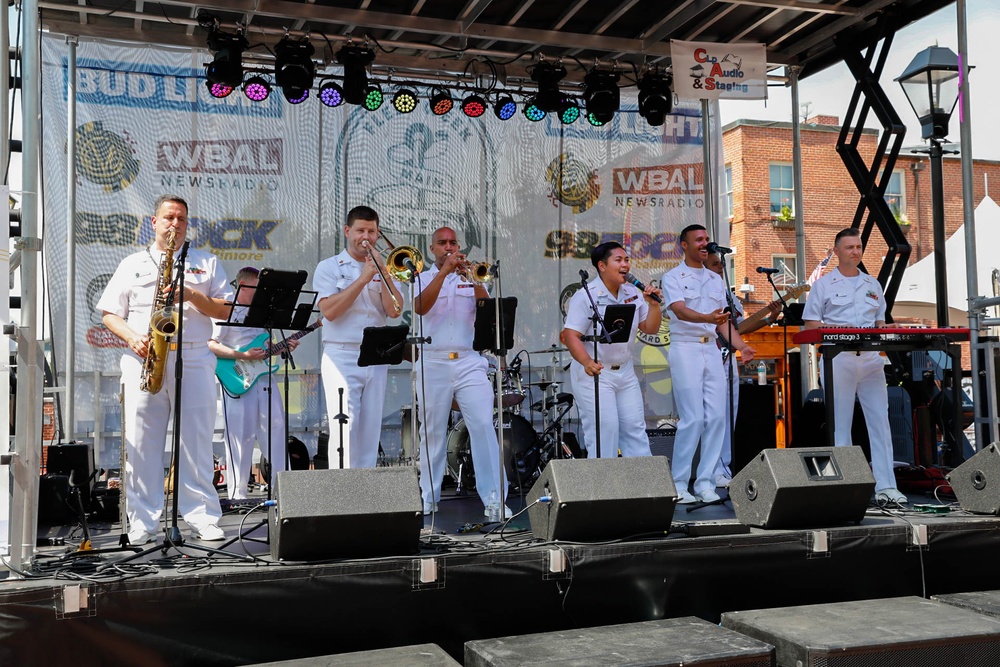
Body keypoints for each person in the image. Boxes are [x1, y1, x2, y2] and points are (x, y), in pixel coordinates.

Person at [98, 194, 234, 545]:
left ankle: (202, 516)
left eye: (182, 219)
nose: (176, 224)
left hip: (195, 356)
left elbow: (225, 310)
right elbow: (110, 313)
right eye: (169, 218)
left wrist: (190, 295)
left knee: (198, 441)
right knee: (142, 445)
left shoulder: (207, 262)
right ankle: (142, 521)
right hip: (145, 356)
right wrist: (132, 338)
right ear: (154, 222)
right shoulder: (133, 263)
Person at [802, 227, 906, 505]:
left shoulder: (873, 284)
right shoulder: (823, 285)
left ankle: (887, 487)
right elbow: (811, 324)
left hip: (871, 359)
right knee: (840, 425)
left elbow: (880, 325)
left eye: (858, 247)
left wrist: (893, 330)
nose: (855, 251)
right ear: (836, 252)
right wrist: (840, 329)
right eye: (849, 247)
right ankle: (845, 487)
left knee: (880, 422)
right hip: (839, 359)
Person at [411, 227, 510, 518]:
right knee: (431, 432)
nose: (449, 247)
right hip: (433, 360)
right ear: (432, 249)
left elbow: (488, 314)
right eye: (442, 243)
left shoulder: (471, 277)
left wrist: (473, 279)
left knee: (482, 425)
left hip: (469, 360)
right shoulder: (422, 278)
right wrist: (444, 274)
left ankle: (495, 500)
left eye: (453, 242)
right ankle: (428, 498)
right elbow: (420, 307)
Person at [662, 225, 755, 504]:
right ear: (685, 245)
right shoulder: (673, 277)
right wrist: (707, 317)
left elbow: (723, 322)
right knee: (693, 419)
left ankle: (705, 482)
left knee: (716, 417)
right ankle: (679, 484)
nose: (705, 244)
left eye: (706, 240)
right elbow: (678, 310)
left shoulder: (716, 280)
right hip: (685, 348)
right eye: (699, 240)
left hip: (712, 350)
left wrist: (742, 346)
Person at [313, 206, 404, 469]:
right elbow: (329, 311)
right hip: (341, 354)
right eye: (360, 230)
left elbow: (394, 311)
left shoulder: (382, 266)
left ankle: (364, 497)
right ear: (347, 231)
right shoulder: (329, 267)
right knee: (345, 425)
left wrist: (384, 274)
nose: (366, 236)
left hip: (376, 355)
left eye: (372, 231)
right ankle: (342, 498)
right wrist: (364, 278)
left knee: (370, 428)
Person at [562, 241, 662, 459]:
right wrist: (587, 361)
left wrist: (654, 305)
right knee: (604, 431)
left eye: (627, 260)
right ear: (602, 266)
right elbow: (571, 335)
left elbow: (650, 328)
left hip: (624, 372)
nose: (625, 264)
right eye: (618, 260)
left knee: (635, 429)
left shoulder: (633, 293)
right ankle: (601, 490)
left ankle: (643, 488)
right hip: (595, 372)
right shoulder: (586, 295)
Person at [209, 267, 300, 501]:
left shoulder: (265, 312)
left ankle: (285, 491)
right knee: (241, 435)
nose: (262, 293)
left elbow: (265, 347)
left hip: (264, 378)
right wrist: (243, 356)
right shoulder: (226, 308)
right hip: (238, 378)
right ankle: (237, 495)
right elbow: (210, 343)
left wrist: (282, 347)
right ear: (244, 286)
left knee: (277, 430)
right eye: (257, 288)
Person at [703, 252, 781, 487]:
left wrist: (770, 318)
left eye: (721, 265)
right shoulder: (703, 292)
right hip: (707, 356)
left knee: (730, 414)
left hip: (729, 359)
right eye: (715, 264)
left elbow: (740, 328)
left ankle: (724, 467)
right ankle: (710, 468)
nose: (720, 268)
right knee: (711, 416)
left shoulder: (731, 298)